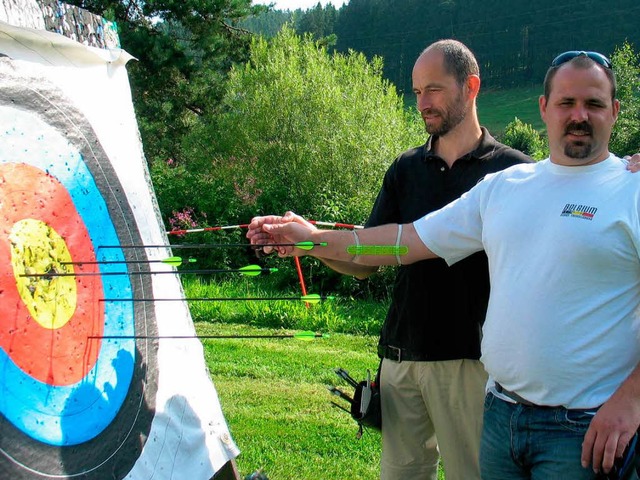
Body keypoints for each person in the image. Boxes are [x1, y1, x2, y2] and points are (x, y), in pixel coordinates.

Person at [247, 51, 640, 478]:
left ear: (615, 112)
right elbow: (403, 244)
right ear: (544, 108)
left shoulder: (631, 189)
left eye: (594, 104)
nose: (579, 115)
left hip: (585, 430)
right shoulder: (504, 188)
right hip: (500, 417)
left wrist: (631, 400)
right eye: (567, 102)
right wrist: (313, 240)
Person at [255, 39, 530, 480]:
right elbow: (365, 259)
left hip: (469, 362)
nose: (422, 102)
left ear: (471, 86)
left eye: (434, 90)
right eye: (417, 91)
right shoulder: (406, 168)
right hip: (400, 357)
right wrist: (309, 242)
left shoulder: (513, 174)